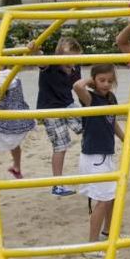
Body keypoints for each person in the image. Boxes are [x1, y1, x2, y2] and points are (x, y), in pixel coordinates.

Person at [73, 64, 126, 248]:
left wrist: (124, 138)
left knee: (111, 197)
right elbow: (77, 87)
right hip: (94, 156)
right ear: (94, 80)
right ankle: (92, 244)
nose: (106, 84)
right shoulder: (90, 98)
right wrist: (91, 80)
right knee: (102, 201)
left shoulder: (111, 98)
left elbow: (112, 122)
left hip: (106, 154)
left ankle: (108, 231)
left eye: (110, 81)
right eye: (102, 80)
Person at [36, 36, 84, 196]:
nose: (72, 63)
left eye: (75, 59)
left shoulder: (75, 68)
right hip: (50, 110)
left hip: (68, 104)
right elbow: (40, 59)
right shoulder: (50, 64)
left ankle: (95, 169)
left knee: (90, 127)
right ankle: (57, 185)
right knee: (61, 145)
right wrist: (34, 49)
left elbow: (79, 88)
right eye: (68, 58)